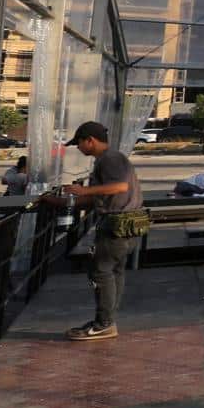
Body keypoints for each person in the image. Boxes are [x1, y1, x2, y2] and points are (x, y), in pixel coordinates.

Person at [59, 121, 146, 342]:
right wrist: (73, 199)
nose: (78, 148)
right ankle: (107, 320)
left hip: (116, 224)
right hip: (129, 224)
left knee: (100, 272)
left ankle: (104, 323)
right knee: (114, 271)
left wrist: (83, 189)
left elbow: (120, 187)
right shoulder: (111, 159)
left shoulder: (110, 159)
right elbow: (106, 193)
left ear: (90, 140)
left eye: (79, 143)